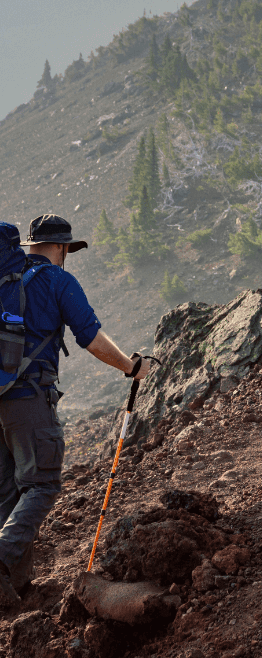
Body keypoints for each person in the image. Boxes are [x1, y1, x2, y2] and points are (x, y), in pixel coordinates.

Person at [0, 214, 150, 607]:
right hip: (29, 400)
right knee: (42, 484)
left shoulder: (5, 282)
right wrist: (131, 367)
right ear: (63, 248)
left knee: (10, 492)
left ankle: (16, 589)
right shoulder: (57, 281)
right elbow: (91, 338)